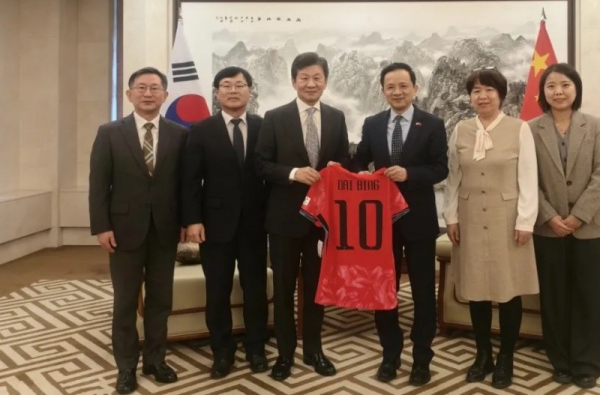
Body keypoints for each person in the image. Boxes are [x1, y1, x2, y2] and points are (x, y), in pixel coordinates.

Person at [89, 67, 187, 395]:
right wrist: (102, 226)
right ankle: (127, 367)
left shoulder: (179, 134)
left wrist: (186, 221)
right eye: (141, 88)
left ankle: (155, 361)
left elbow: (184, 184)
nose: (148, 93)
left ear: (165, 95)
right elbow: (99, 183)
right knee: (125, 301)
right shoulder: (109, 132)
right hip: (123, 230)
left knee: (161, 301)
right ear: (129, 94)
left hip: (165, 230)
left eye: (155, 88)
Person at [255, 52, 350, 381]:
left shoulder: (337, 117)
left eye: (317, 78)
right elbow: (261, 164)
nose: (311, 84)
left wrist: (339, 168)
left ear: (325, 81)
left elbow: (344, 159)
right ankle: (285, 355)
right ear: (294, 81)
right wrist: (294, 173)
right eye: (304, 78)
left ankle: (314, 350)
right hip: (284, 218)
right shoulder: (274, 117)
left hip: (322, 221)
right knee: (283, 289)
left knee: (316, 288)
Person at [352, 62, 448, 386]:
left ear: (415, 88)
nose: (397, 92)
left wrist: (410, 174)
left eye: (403, 86)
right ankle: (390, 355)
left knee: (423, 291)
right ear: (383, 91)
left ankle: (422, 357)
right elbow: (360, 157)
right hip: (382, 222)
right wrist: (358, 172)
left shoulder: (432, 124)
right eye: (390, 87)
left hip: (419, 220)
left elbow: (440, 168)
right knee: (384, 290)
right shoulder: (373, 123)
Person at [444, 67, 538, 390]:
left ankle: (506, 357)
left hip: (506, 219)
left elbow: (529, 178)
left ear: (501, 95)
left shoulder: (519, 129)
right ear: (470, 97)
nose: (482, 96)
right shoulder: (461, 130)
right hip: (469, 218)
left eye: (489, 90)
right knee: (476, 289)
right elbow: (453, 178)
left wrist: (525, 220)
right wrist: (451, 216)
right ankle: (482, 354)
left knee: (508, 289)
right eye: (476, 91)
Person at [529, 63, 600, 390]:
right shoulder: (531, 129)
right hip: (548, 227)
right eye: (551, 86)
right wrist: (550, 215)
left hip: (591, 227)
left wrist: (578, 216)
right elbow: (527, 180)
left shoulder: (594, 125)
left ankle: (587, 363)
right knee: (555, 297)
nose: (558, 92)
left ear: (576, 89)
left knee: (590, 295)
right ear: (543, 92)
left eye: (565, 84)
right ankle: (561, 361)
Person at [182, 66, 269, 379]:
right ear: (217, 92)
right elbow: (190, 180)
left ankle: (256, 348)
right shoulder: (201, 130)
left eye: (240, 85)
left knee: (255, 288)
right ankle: (222, 351)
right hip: (215, 224)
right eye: (227, 85)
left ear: (250, 90)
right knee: (217, 290)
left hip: (255, 224)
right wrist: (193, 220)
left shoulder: (264, 127)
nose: (233, 90)